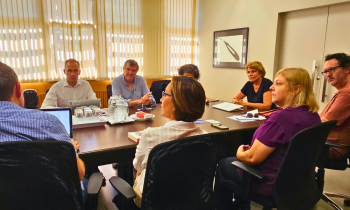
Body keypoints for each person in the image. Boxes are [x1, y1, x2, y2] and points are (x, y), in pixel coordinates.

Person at [214, 68, 321, 210]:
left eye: (278, 83)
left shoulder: (280, 118)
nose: (271, 87)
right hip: (298, 182)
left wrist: (240, 153)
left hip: (269, 182)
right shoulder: (313, 115)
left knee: (224, 163)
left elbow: (251, 158)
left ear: (297, 89)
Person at [0, 62, 88, 201]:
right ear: (18, 90)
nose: (72, 74)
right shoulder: (47, 123)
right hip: (50, 201)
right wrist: (69, 146)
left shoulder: (86, 85)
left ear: (79, 72)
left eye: (75, 70)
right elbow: (78, 173)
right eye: (69, 70)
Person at [132, 76, 207, 207]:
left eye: (164, 94)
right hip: (191, 197)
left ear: (177, 102)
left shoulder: (150, 136)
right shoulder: (205, 137)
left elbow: (138, 167)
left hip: (155, 201)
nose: (160, 99)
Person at [320, 53, 350, 161]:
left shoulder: (347, 93)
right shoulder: (343, 91)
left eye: (332, 70)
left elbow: (324, 122)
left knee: (282, 143)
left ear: (347, 69)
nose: (328, 75)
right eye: (326, 71)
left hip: (332, 146)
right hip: (325, 142)